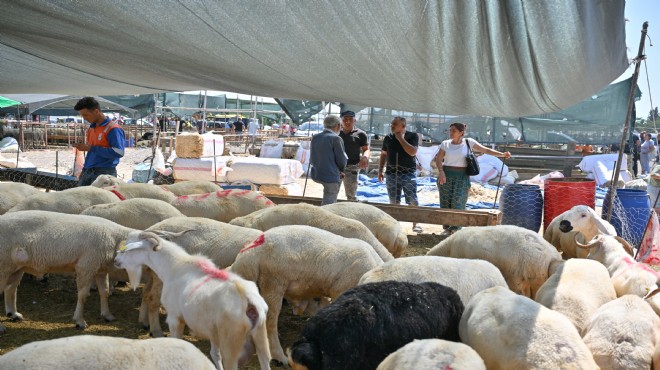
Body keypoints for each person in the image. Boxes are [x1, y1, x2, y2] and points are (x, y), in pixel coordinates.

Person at [434, 122, 511, 236]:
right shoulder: (445, 144)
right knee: (445, 201)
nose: (451, 133)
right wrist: (441, 172)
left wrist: (502, 154)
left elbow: (485, 150)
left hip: (462, 176)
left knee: (458, 201)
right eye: (450, 130)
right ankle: (447, 227)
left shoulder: (468, 142)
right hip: (446, 175)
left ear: (461, 133)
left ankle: (455, 228)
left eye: (454, 131)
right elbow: (439, 159)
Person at [377, 116, 423, 233]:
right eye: (391, 124)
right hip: (392, 174)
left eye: (394, 125)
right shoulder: (388, 138)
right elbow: (383, 154)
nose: (391, 127)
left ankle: (416, 223)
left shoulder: (412, 136)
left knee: (412, 199)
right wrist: (380, 170)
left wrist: (401, 139)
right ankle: (394, 225)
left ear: (403, 126)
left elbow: (412, 152)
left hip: (408, 173)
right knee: (394, 200)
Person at [73, 97, 125, 186]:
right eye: (82, 116)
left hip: (105, 173)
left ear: (96, 111)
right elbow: (91, 152)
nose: (85, 118)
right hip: (88, 171)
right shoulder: (91, 128)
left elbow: (119, 152)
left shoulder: (113, 129)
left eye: (86, 115)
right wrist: (84, 169)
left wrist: (90, 148)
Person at [309, 115, 347, 205]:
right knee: (329, 203)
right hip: (330, 176)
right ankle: (324, 217)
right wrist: (342, 170)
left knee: (328, 199)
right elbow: (341, 159)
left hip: (316, 173)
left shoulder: (316, 137)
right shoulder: (336, 138)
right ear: (338, 125)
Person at [338, 110, 370, 201]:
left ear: (354, 121)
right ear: (341, 121)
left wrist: (365, 157)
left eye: (350, 119)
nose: (348, 122)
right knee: (332, 191)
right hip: (336, 167)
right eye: (345, 119)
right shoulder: (336, 133)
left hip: (352, 168)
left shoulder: (361, 134)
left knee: (351, 195)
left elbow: (366, 149)